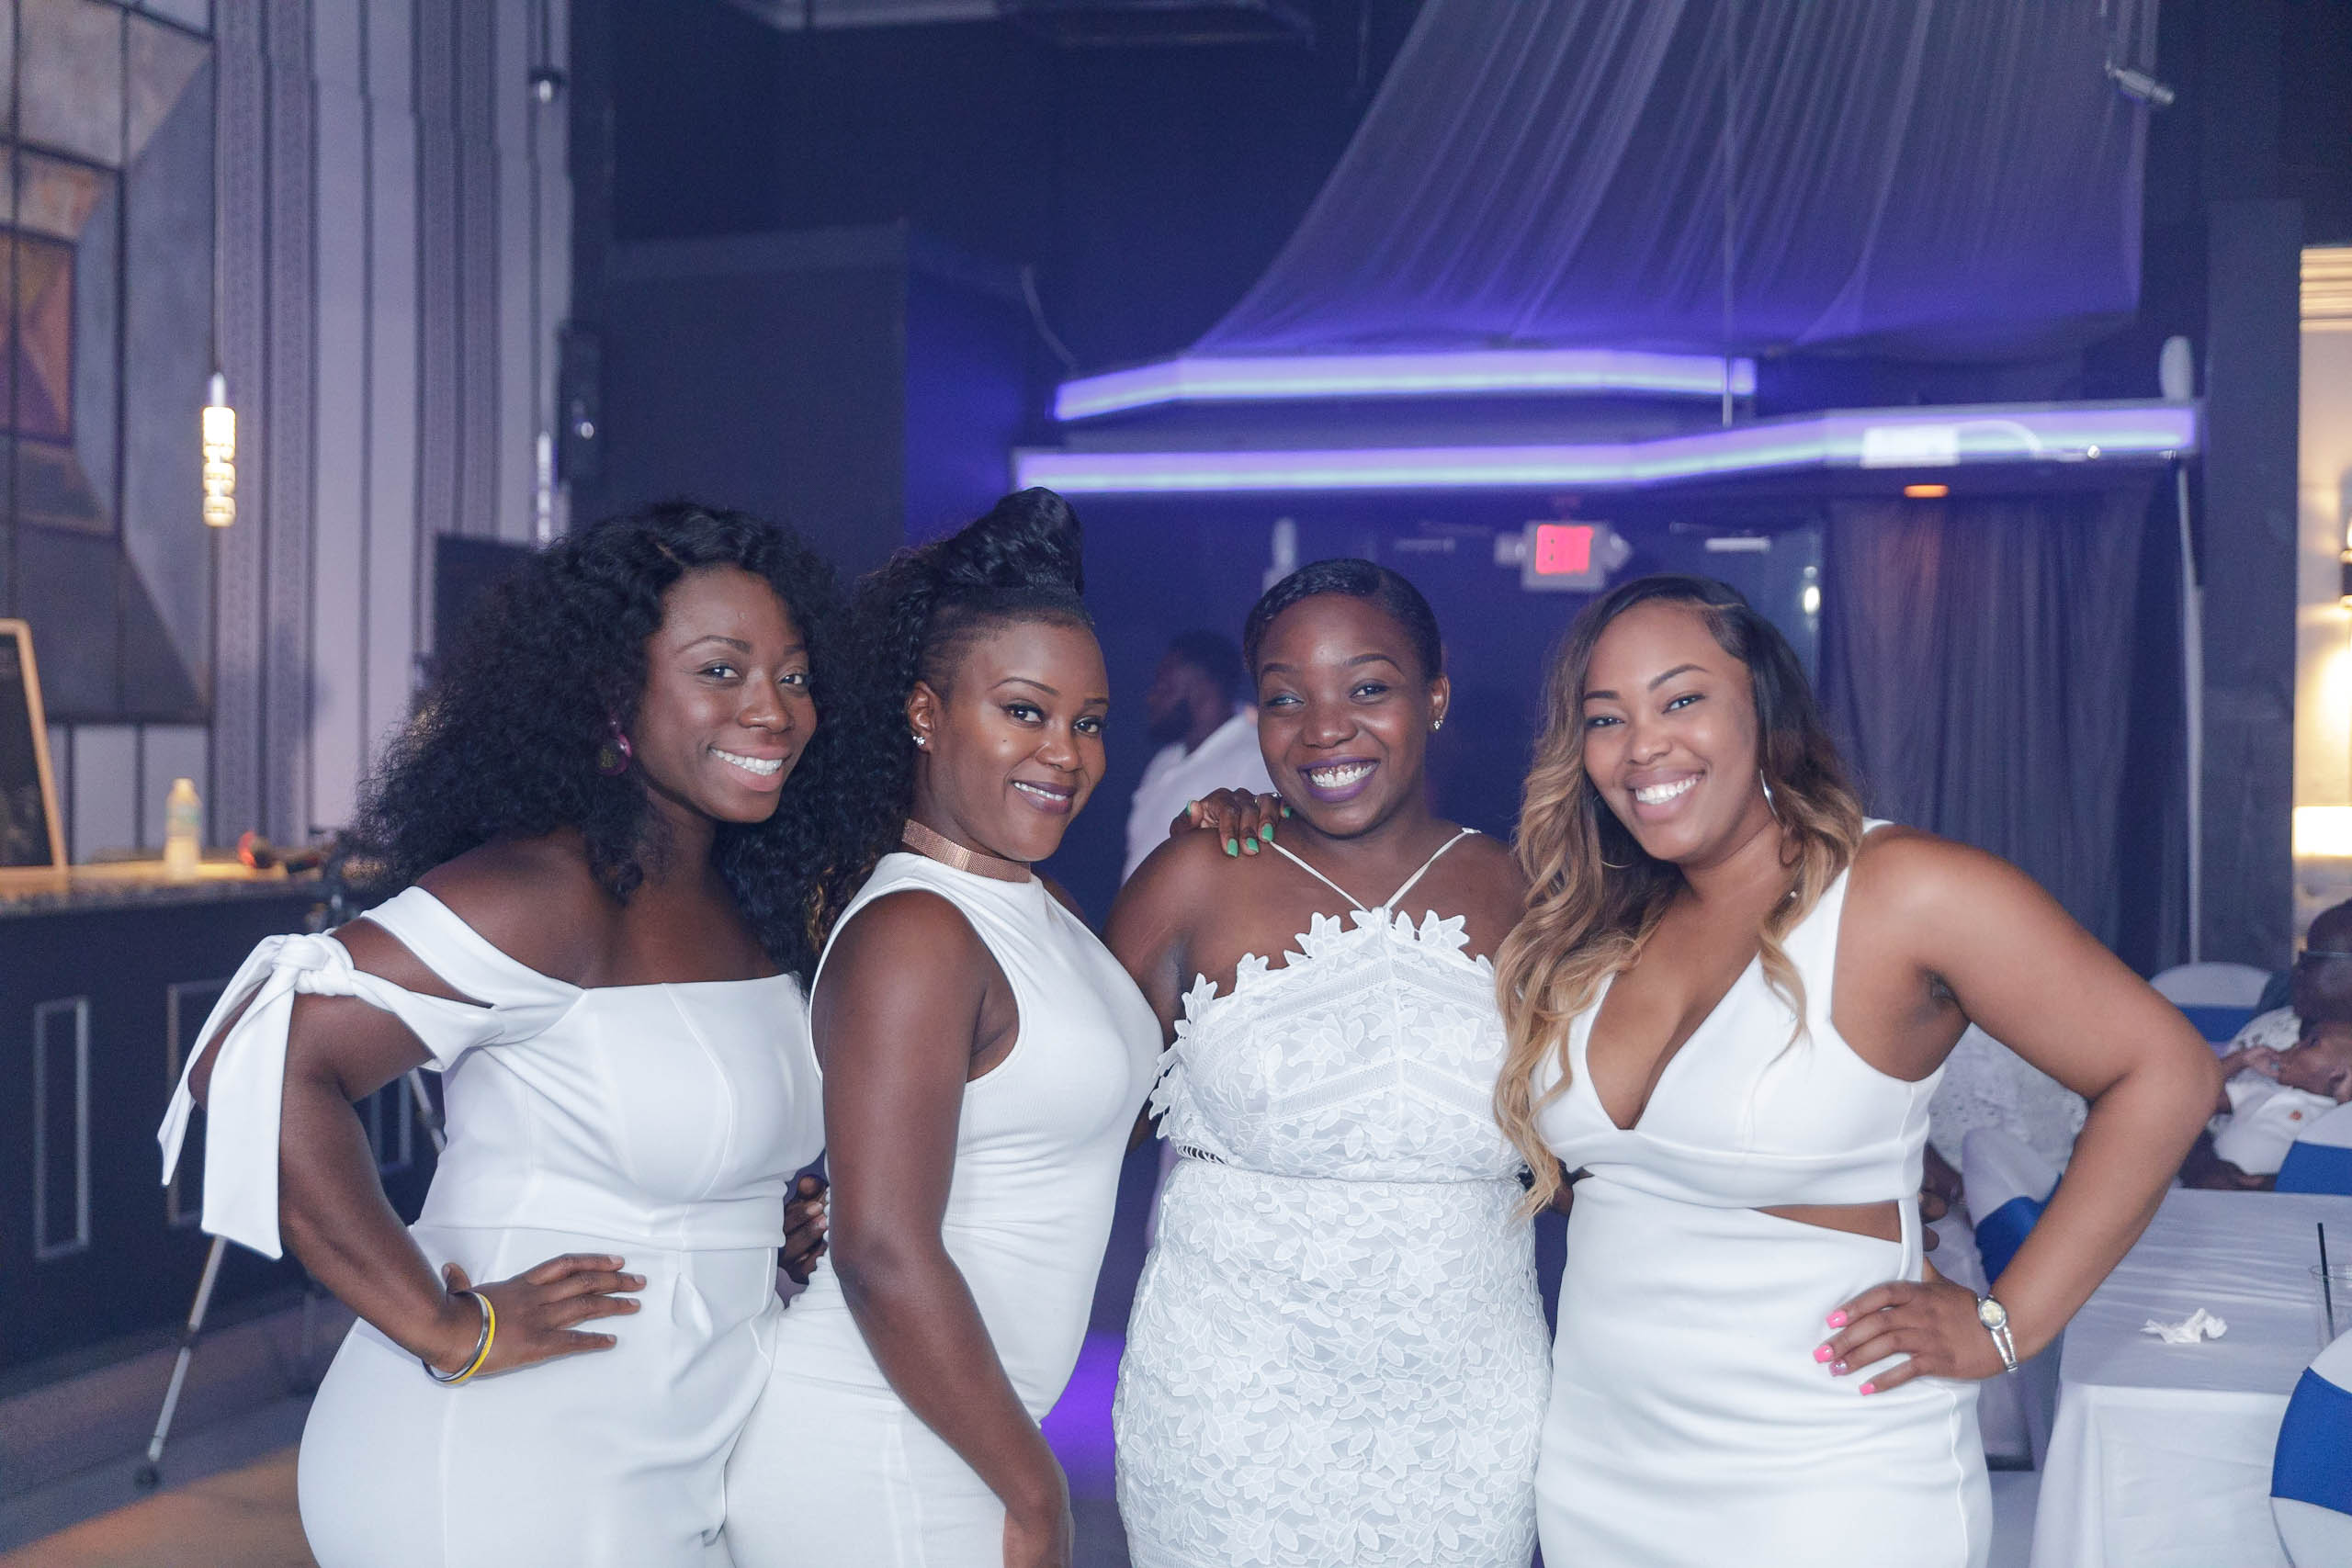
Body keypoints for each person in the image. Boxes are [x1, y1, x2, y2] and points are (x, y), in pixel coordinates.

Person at [157, 503, 850, 1566]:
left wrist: (766, 1218)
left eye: (793, 676)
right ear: (612, 692)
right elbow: (261, 1052)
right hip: (508, 1457)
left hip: (683, 1440)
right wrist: (444, 1329)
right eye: (721, 671)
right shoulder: (550, 890)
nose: (772, 710)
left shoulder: (750, 901)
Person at [1490, 574, 2221, 1568]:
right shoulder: (1596, 920)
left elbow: (2166, 1071)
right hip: (1599, 1465)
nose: (1642, 746)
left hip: (1828, 1470)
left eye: (1682, 699)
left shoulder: (1900, 890)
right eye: (1605, 718)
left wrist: (2005, 1326)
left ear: (1764, 709)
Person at [725, 489, 1161, 1568]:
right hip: (884, 1448)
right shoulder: (917, 928)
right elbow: (880, 1249)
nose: (1064, 753)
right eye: (1023, 711)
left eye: (1088, 722)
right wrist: (1034, 1492)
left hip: (962, 1436)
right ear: (924, 714)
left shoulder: (1035, 904)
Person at [1109, 560, 1548, 1568]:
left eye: (1367, 688)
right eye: (1285, 698)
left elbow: (1599, 1145)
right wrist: (871, 1193)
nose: (1324, 730)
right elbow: (1071, 1115)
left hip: (1468, 1415)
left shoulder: (1527, 895)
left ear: (1434, 696)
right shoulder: (1195, 876)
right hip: (1233, 1409)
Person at [1122, 629, 1274, 881]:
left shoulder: (1254, 756)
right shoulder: (1163, 760)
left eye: (1164, 685)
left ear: (1202, 686)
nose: (1151, 697)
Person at [2182, 1021, 2352, 1188]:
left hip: (2272, 1194)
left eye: (2312, 1043)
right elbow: (2190, 1098)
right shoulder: (2261, 1090)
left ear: (2342, 1072)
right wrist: (2241, 1060)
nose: (2294, 1045)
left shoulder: (2333, 1116)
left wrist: (2345, 1107)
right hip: (2209, 1183)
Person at [2222, 898, 2352, 1058]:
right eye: (2302, 958)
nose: (2298, 970)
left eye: (2312, 959)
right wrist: (2236, 1062)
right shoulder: (2267, 1034)